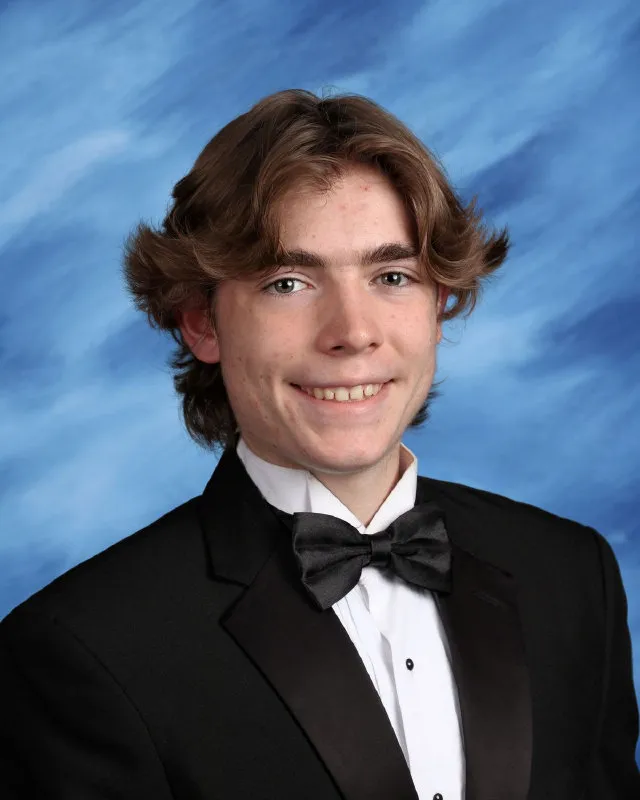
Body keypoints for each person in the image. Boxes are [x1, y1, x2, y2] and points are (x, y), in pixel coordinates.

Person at [1, 88, 638, 800]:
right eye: (289, 282)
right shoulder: (83, 648)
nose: (353, 331)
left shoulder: (572, 575)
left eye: (391, 276)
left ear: (441, 305)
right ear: (199, 323)